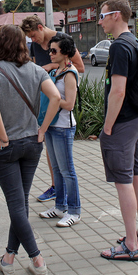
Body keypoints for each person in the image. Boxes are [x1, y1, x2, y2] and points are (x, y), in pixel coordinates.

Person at [0, 24, 61, 275]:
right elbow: (56, 98)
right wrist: (43, 129)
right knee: (21, 204)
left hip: (5, 148)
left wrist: (3, 137)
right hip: (31, 144)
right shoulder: (37, 70)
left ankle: (38, 260)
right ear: (22, 45)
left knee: (17, 206)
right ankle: (8, 259)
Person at [97, 0, 138, 262]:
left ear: (116, 15)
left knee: (124, 182)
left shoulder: (119, 47)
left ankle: (130, 245)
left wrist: (107, 126)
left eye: (103, 15)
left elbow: (118, 91)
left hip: (123, 123)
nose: (100, 20)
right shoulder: (135, 42)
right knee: (137, 175)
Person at [20, 15, 85, 202]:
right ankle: (56, 187)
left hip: (60, 104)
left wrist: (51, 65)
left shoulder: (61, 40)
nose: (34, 40)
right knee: (51, 152)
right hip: (45, 103)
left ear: (41, 27)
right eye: (30, 38)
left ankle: (63, 194)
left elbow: (79, 67)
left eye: (34, 35)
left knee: (63, 161)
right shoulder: (35, 46)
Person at [36, 34, 81, 227]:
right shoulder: (57, 71)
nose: (50, 54)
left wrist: (53, 98)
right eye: (49, 50)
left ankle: (74, 211)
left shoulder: (70, 73)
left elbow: (69, 104)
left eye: (54, 51)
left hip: (63, 127)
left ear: (65, 53)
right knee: (57, 169)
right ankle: (59, 206)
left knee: (67, 170)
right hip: (53, 125)